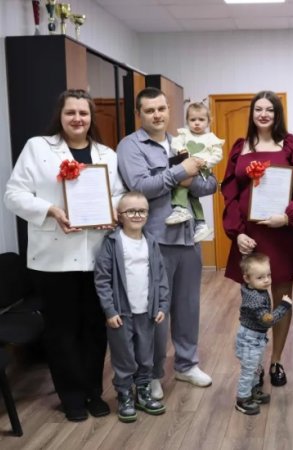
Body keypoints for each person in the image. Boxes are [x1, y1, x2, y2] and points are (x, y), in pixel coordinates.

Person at [4, 89, 125, 421]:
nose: (77, 119)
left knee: (94, 328)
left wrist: (111, 210)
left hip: (97, 257)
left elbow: (118, 194)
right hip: (52, 259)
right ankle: (71, 397)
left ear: (91, 117)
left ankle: (93, 392)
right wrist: (51, 210)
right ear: (60, 115)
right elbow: (13, 194)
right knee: (61, 330)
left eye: (83, 113)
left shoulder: (106, 154)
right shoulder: (38, 148)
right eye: (71, 112)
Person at [117, 87, 217, 400]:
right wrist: (181, 173)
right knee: (155, 312)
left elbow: (210, 184)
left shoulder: (181, 141)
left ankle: (187, 365)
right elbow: (140, 186)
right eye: (150, 110)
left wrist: (190, 178)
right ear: (139, 114)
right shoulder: (130, 146)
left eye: (161, 108)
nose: (157, 115)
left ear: (169, 110)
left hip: (188, 238)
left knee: (188, 307)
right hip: (154, 240)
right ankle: (151, 373)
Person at [222, 90, 293, 387]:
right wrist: (237, 232)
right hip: (250, 236)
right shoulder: (240, 147)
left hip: (283, 233)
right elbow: (230, 192)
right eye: (258, 109)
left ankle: (276, 361)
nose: (263, 114)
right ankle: (255, 362)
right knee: (254, 301)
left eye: (270, 110)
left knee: (282, 297)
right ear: (252, 113)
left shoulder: (292, 144)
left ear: (277, 114)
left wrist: (287, 216)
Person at [95, 191, 169, 423]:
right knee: (124, 357)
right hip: (121, 314)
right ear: (120, 215)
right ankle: (125, 394)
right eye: (131, 211)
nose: (137, 215)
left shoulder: (151, 242)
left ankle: (143, 392)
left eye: (142, 211)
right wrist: (110, 310)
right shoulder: (112, 243)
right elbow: (102, 280)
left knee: (146, 355)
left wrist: (162, 305)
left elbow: (161, 277)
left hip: (147, 312)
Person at [234, 253, 292, 415]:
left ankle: (253, 391)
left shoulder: (254, 288)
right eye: (260, 277)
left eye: (268, 275)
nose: (266, 280)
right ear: (247, 279)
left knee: (256, 368)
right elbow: (268, 320)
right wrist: (284, 306)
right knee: (249, 371)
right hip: (249, 340)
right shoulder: (255, 300)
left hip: (256, 338)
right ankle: (242, 399)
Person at [167, 102, 224, 242]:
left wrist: (206, 162)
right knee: (193, 197)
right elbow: (175, 143)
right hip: (186, 167)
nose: (197, 123)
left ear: (208, 121)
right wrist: (180, 149)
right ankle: (201, 223)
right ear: (187, 121)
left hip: (202, 172)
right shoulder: (184, 134)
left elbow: (218, 155)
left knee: (181, 186)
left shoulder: (211, 138)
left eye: (201, 119)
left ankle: (180, 208)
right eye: (193, 120)